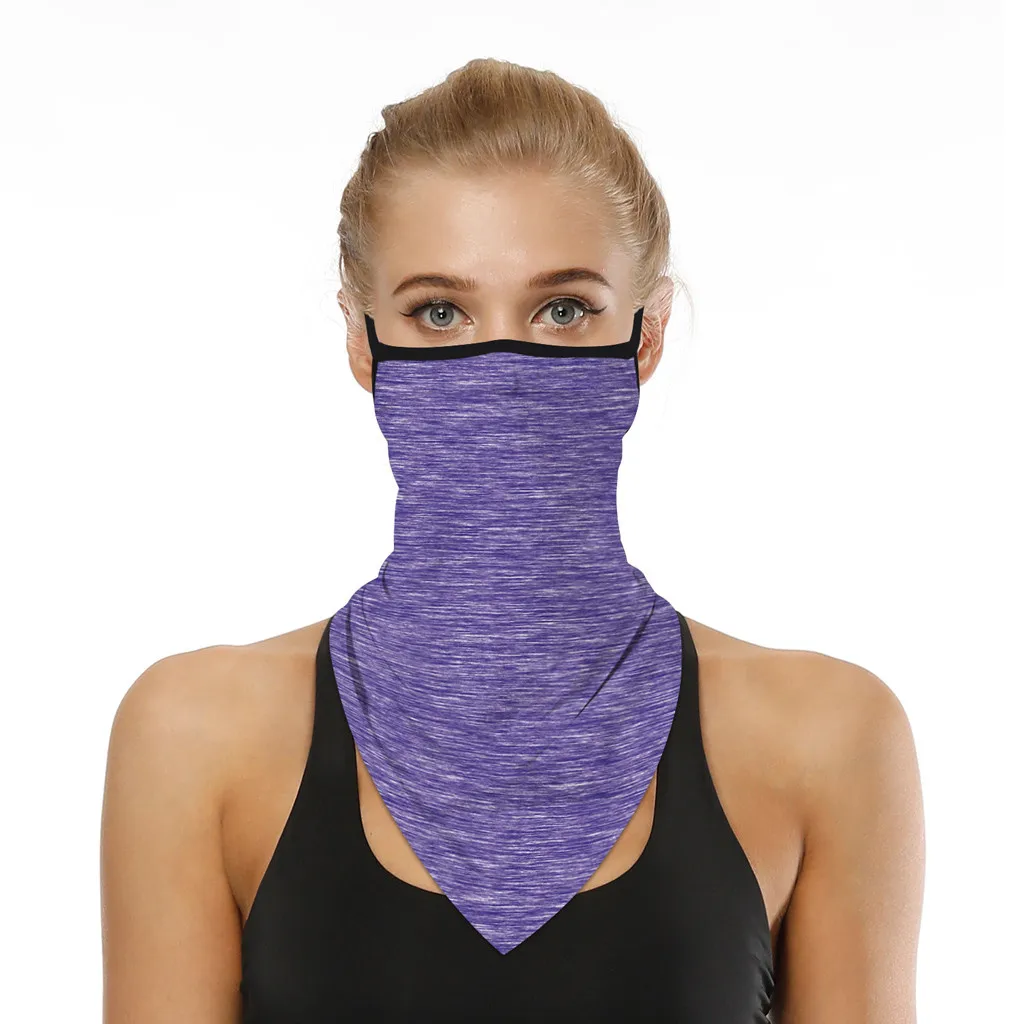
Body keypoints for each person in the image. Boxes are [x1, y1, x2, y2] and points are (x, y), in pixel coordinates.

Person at [100, 57, 925, 1023]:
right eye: (439, 313)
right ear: (363, 341)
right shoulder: (194, 736)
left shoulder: (828, 739)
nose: (501, 369)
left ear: (647, 334)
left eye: (563, 310)